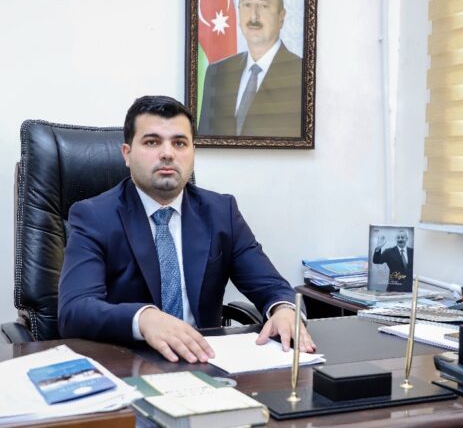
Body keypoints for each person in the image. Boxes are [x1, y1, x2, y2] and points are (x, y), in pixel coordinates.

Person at [58, 95, 315, 363]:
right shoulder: (94, 217)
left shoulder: (221, 212)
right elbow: (74, 311)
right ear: (127, 154)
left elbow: (271, 286)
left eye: (179, 143)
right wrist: (143, 318)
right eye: (152, 142)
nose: (167, 153)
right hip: (130, 363)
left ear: (193, 152)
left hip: (205, 361)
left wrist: (284, 310)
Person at [197, 0, 302, 137]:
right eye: (246, 5)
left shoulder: (301, 73)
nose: (253, 16)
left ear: (281, 17)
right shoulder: (217, 72)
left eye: (264, 6)